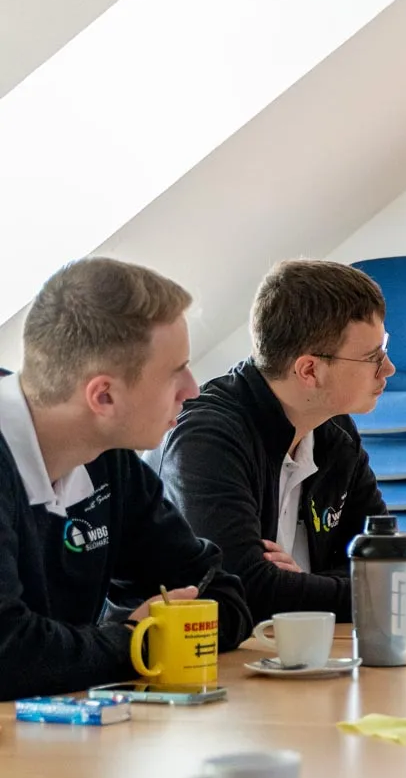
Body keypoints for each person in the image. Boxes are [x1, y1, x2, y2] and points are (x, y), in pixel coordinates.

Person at [0, 259, 251, 700]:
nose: (192, 389)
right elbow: (9, 654)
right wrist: (138, 640)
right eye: (177, 372)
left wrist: (141, 637)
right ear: (104, 396)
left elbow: (220, 590)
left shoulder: (105, 456)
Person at [159, 261, 393, 623]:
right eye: (372, 357)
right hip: (186, 666)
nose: (388, 368)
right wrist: (333, 588)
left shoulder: (335, 430)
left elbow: (391, 565)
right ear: (309, 370)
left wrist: (303, 584)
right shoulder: (207, 439)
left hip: (292, 654)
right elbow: (243, 591)